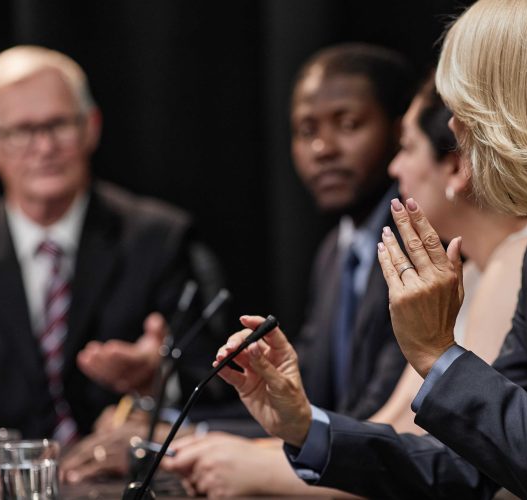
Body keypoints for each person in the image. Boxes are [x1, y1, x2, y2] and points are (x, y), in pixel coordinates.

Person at [214, 0, 527, 498]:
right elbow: (480, 466)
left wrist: (437, 353)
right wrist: (306, 429)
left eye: (465, 110)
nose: (455, 133)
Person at [163, 75, 527, 497]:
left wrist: (260, 466)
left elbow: (469, 464)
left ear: (456, 163)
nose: (394, 168)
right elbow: (400, 424)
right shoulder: (476, 270)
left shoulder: (519, 259)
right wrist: (293, 434)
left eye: (406, 147)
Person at [0, 45, 221, 444]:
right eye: (21, 131)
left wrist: (156, 379)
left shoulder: (158, 239)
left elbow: (213, 384)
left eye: (58, 125)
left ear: (91, 127)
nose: (45, 148)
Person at [146, 43, 416, 495]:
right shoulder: (335, 248)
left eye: (348, 124)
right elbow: (308, 395)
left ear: (399, 129)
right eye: (305, 130)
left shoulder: (417, 243)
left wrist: (184, 441)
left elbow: (369, 415)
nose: (322, 148)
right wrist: (172, 423)